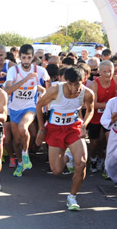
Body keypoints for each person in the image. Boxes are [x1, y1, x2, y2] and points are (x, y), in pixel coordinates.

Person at [36, 65, 94, 211]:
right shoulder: (55, 90)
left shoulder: (87, 93)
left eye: (77, 84)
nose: (74, 88)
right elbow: (39, 105)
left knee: (81, 163)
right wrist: (42, 129)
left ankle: (72, 197)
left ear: (84, 80)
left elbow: (90, 110)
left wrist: (84, 125)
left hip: (74, 128)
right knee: (56, 170)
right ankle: (68, 156)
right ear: (65, 81)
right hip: (55, 129)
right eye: (70, 84)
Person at [4, 44, 49, 177]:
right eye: (23, 58)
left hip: (30, 107)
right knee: (17, 141)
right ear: (19, 57)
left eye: (29, 58)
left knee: (24, 128)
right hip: (14, 109)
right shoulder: (13, 71)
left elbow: (49, 86)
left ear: (32, 57)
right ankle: (19, 163)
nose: (26, 61)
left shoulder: (40, 70)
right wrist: (25, 80)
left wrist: (43, 92)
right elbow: (7, 90)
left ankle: (25, 155)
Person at [87, 60, 116, 173]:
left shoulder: (116, 80)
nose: (108, 74)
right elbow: (93, 104)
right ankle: (93, 158)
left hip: (111, 117)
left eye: (110, 71)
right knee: (94, 142)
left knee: (107, 140)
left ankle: (105, 160)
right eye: (104, 71)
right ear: (99, 72)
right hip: (96, 116)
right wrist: (110, 105)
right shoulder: (94, 84)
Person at [100, 96, 117, 184]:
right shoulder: (112, 102)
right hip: (114, 133)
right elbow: (103, 119)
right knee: (110, 162)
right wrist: (112, 121)